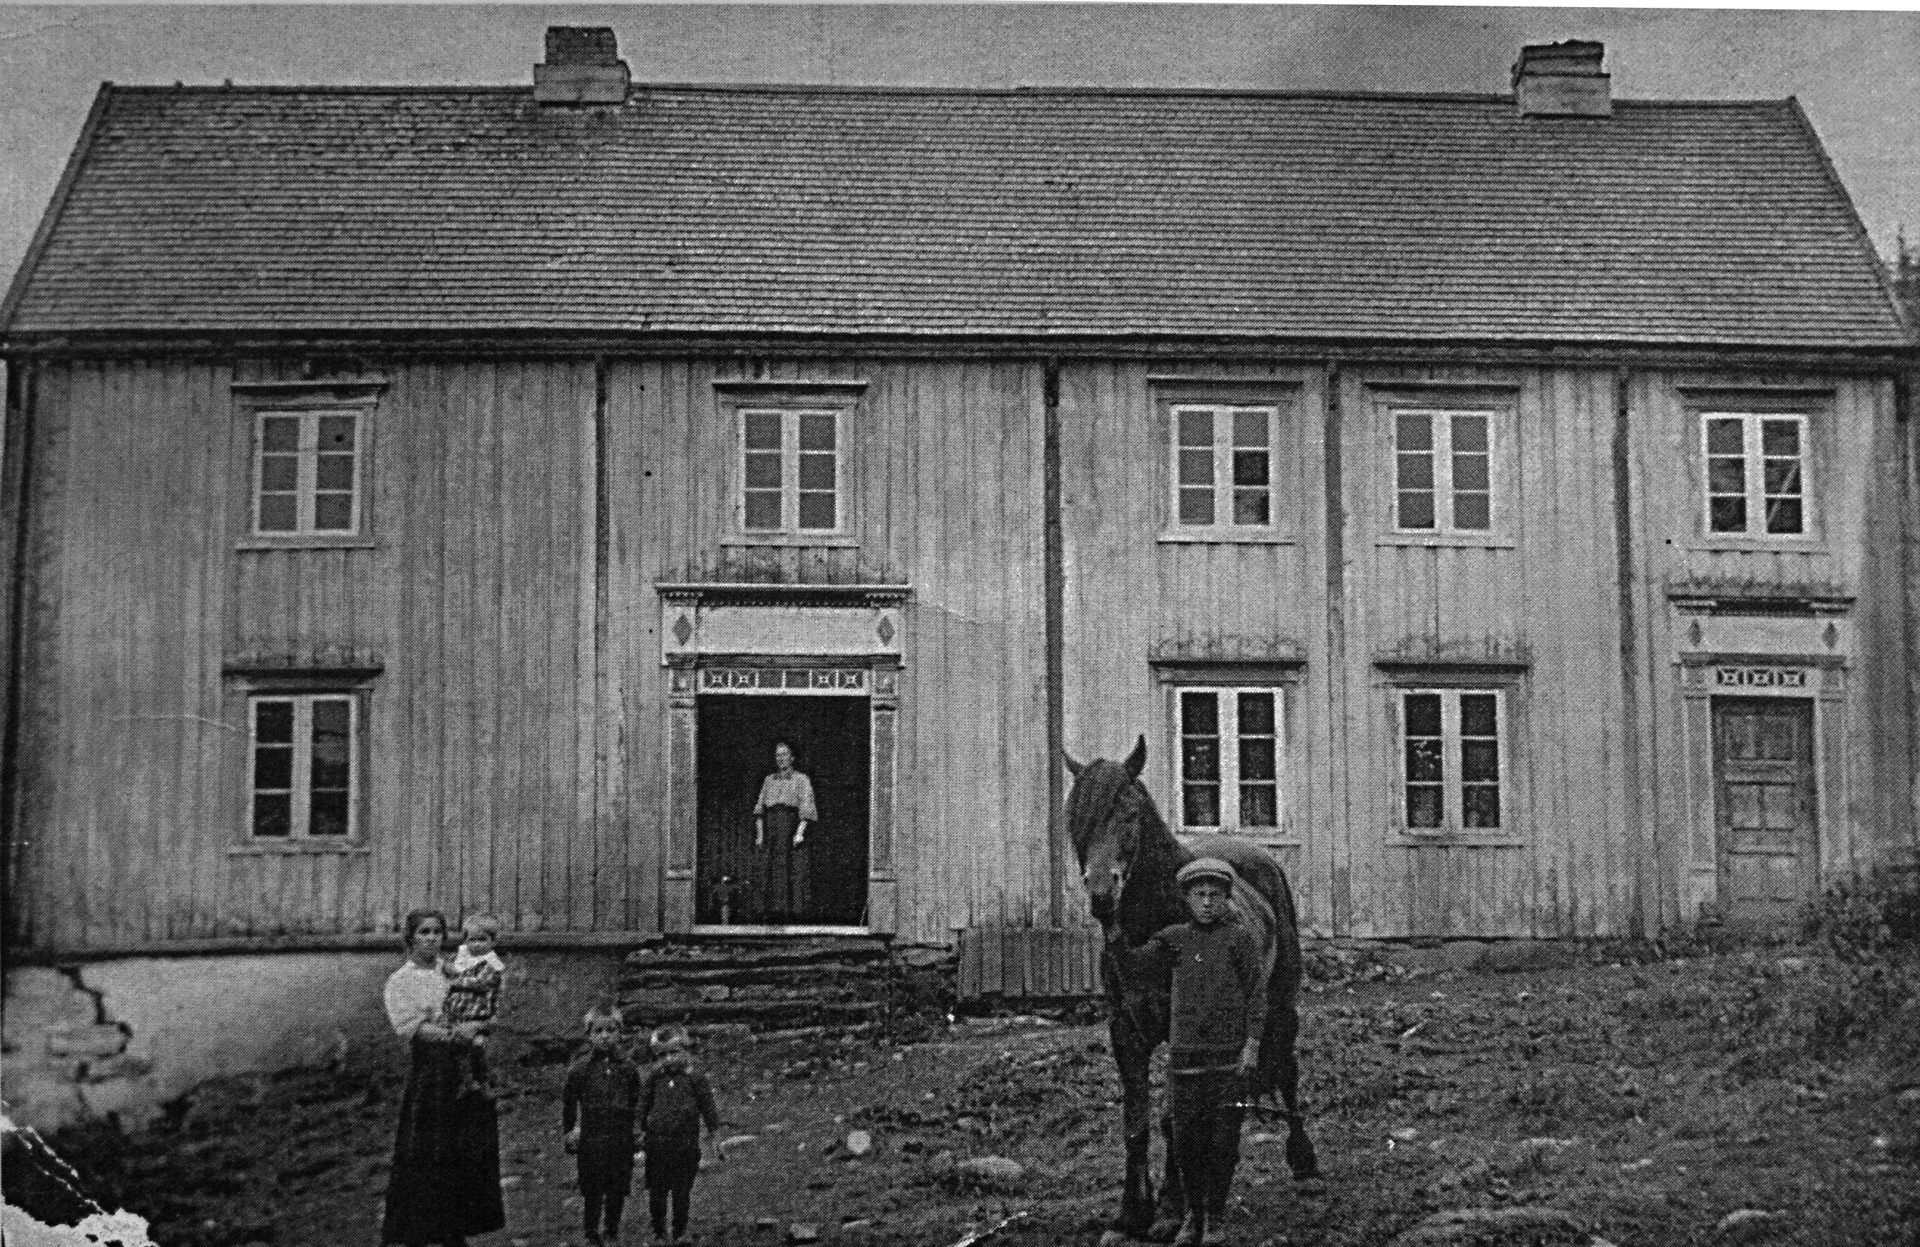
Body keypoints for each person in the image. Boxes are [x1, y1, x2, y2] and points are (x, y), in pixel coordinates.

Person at [1112, 859, 1265, 1247]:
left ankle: (1214, 1217)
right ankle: (1192, 1217)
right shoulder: (1173, 939)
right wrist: (1112, 930)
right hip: (1185, 1062)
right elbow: (1134, 968)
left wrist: (1251, 1045)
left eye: (1215, 895)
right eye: (1200, 895)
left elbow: (1256, 995)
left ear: (1227, 899)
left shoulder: (1240, 940)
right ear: (1187, 899)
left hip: (1228, 1060)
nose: (1208, 903)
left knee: (1223, 1143)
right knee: (1185, 1144)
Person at [380, 908, 506, 1247]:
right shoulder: (400, 981)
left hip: (468, 1067)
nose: (432, 939)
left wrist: (479, 1025)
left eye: (437, 932)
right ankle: (419, 1232)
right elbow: (413, 1028)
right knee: (429, 1150)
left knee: (466, 1148)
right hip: (432, 1073)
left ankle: (455, 1230)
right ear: (410, 938)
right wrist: (454, 1034)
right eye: (424, 932)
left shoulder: (456, 970)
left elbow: (487, 1007)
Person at [563, 1005, 641, 1245]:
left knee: (617, 1185)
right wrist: (570, 1131)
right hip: (592, 1136)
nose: (605, 1036)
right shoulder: (580, 1069)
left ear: (619, 1032)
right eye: (598, 1031)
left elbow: (637, 1102)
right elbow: (569, 1103)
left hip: (620, 1136)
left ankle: (611, 1230)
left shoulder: (628, 1068)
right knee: (592, 1186)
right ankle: (591, 1233)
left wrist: (637, 1131)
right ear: (589, 1035)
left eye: (610, 1030)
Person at [638, 1024, 723, 1244]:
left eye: (674, 1052)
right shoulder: (654, 1078)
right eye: (662, 1055)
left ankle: (679, 1231)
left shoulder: (695, 1078)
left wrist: (715, 1135)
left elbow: (708, 1107)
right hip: (657, 1145)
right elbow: (642, 1106)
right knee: (657, 1191)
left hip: (685, 1145)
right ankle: (659, 1231)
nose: (668, 1059)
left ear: (685, 1050)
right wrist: (638, 1131)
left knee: (681, 1191)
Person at [442, 913, 507, 1100]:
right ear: (465, 940)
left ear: (492, 941)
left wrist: (456, 981)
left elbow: (481, 983)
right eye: (472, 940)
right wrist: (448, 968)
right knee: (459, 1049)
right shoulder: (461, 956)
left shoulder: (491, 964)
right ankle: (467, 1081)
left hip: (478, 1013)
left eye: (482, 940)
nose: (476, 944)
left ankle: (485, 1083)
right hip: (458, 1013)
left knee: (478, 1047)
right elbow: (448, 967)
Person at [752, 741, 818, 921]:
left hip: (790, 828)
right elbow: (759, 810)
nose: (781, 758)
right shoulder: (769, 780)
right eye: (778, 755)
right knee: (769, 869)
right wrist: (760, 835)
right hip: (770, 829)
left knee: (791, 869)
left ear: (792, 757)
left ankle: (791, 914)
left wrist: (800, 832)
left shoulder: (801, 779)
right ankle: (770, 913)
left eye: (784, 754)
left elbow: (807, 808)